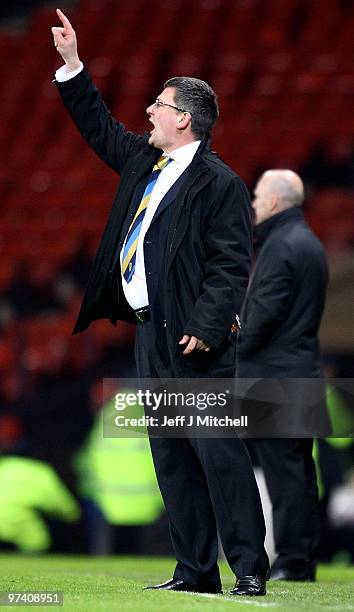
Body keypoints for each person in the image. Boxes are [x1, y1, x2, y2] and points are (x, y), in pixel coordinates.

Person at [51, 8, 269, 597]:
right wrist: (73, 66)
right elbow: (100, 128)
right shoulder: (146, 162)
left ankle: (248, 568)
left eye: (158, 104)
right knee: (172, 460)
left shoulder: (218, 182)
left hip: (196, 339)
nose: (147, 110)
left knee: (218, 457)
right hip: (152, 335)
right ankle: (195, 572)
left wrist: (208, 323)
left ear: (185, 119)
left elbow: (230, 262)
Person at [236, 170, 329, 581]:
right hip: (301, 370)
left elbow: (263, 316)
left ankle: (292, 562)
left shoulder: (280, 245)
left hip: (277, 377)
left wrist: (230, 345)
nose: (254, 204)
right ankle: (300, 560)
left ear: (274, 201)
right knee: (298, 473)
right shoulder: (307, 242)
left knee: (285, 475)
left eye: (257, 197)